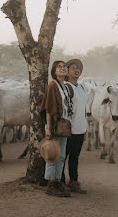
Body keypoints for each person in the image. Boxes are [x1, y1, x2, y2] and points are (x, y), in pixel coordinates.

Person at [42, 60, 72, 197]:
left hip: (65, 125)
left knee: (61, 155)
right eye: (59, 67)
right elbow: (49, 109)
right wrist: (48, 128)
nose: (62, 68)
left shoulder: (65, 86)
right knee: (52, 154)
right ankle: (50, 184)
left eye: (64, 66)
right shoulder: (52, 85)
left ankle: (58, 180)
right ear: (54, 71)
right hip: (54, 125)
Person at [62, 58, 89, 194]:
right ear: (67, 72)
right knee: (63, 156)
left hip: (80, 127)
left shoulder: (82, 87)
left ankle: (73, 181)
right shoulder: (66, 87)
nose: (76, 70)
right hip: (69, 129)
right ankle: (60, 183)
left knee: (75, 156)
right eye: (72, 68)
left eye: (78, 68)